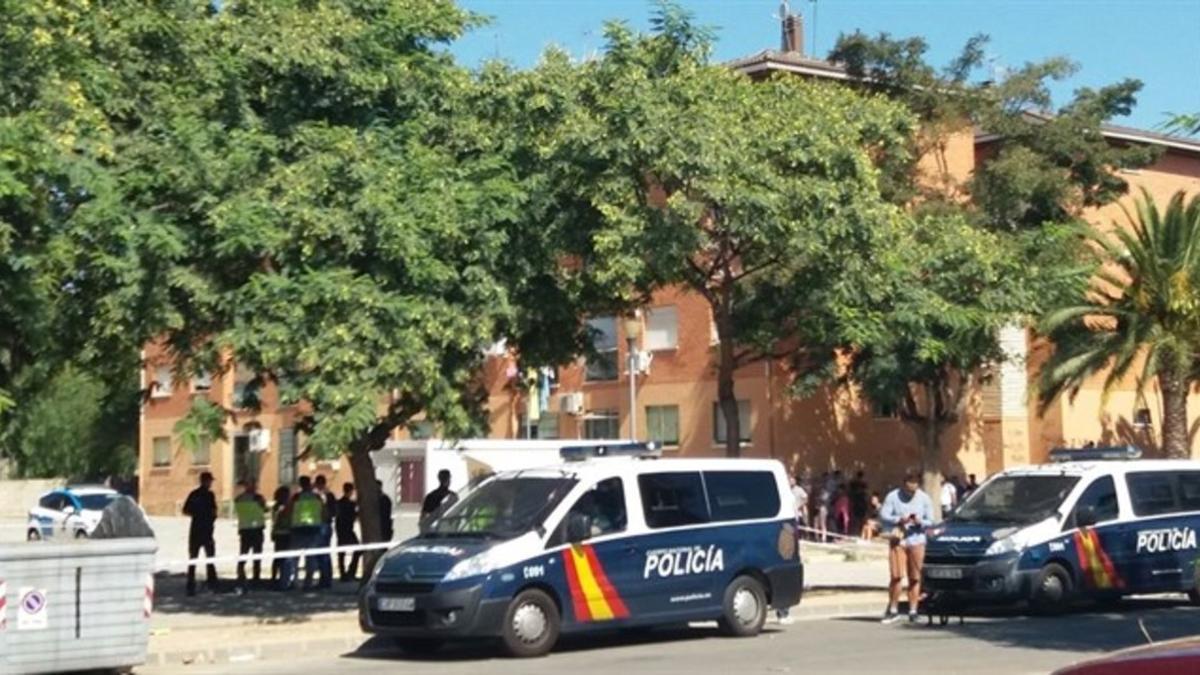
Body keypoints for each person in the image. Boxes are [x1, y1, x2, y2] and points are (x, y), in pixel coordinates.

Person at [879, 471, 934, 624]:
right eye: (909, 488)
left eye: (914, 488)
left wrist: (919, 521)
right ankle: (893, 609)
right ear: (904, 484)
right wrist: (899, 519)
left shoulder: (924, 498)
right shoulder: (892, 496)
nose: (911, 491)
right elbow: (884, 514)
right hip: (899, 540)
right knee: (896, 576)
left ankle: (913, 610)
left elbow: (931, 520)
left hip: (917, 540)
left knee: (915, 577)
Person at [182, 472, 219, 596]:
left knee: (195, 558)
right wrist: (207, 516)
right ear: (204, 481)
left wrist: (196, 513)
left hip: (198, 529)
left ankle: (192, 585)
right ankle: (211, 583)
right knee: (209, 558)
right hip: (205, 530)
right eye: (209, 481)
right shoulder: (208, 495)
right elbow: (214, 511)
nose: (210, 484)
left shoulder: (195, 494)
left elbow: (186, 510)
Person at [290, 476, 327, 590]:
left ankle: (294, 581)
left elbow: (289, 510)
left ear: (300, 485)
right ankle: (308, 582)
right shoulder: (316, 497)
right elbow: (324, 512)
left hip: (298, 528)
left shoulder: (296, 497)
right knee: (311, 557)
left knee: (294, 558)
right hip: (313, 528)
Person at [234, 480, 268, 589]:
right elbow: (265, 509)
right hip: (256, 530)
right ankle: (256, 579)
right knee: (257, 556)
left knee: (243, 555)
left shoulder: (239, 499)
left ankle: (240, 576)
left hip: (244, 530)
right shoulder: (258, 498)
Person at [313, 475, 336, 588]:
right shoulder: (329, 494)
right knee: (323, 554)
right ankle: (326, 578)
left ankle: (325, 579)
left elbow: (328, 511)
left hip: (323, 525)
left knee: (322, 554)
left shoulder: (322, 496)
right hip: (326, 525)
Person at [336, 482, 361, 581]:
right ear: (350, 491)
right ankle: (350, 572)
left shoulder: (339, 503)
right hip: (347, 529)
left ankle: (344, 573)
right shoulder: (350, 504)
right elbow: (354, 515)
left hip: (341, 529)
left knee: (341, 553)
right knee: (357, 550)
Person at [270, 485, 293, 587]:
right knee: (284, 558)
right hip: (285, 533)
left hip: (277, 533)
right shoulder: (282, 507)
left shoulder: (275, 506)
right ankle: (282, 579)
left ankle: (275, 578)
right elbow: (283, 519)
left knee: (278, 557)